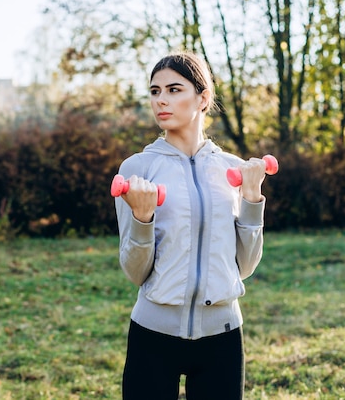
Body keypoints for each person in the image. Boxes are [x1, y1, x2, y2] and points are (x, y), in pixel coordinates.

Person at [114, 51, 267, 399]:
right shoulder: (136, 171)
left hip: (223, 337)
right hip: (153, 336)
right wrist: (142, 219)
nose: (161, 100)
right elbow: (135, 272)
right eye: (154, 91)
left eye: (173, 89)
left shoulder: (232, 169)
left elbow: (245, 266)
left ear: (203, 98)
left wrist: (252, 198)